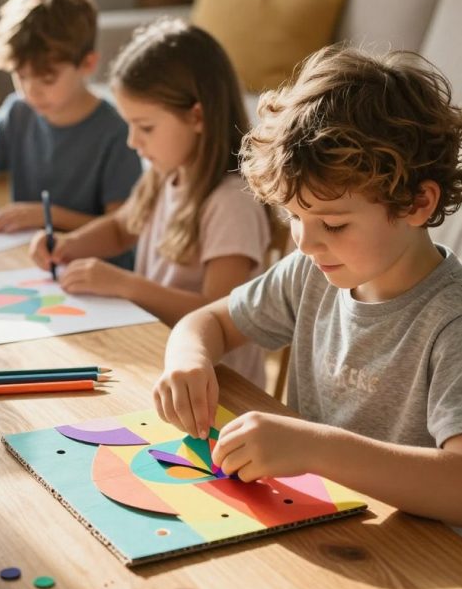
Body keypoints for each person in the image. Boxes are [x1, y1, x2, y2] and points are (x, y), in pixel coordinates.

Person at [153, 44, 462, 525]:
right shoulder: (311, 272)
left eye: (334, 225)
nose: (306, 241)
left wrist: (316, 449)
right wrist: (186, 360)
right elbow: (206, 321)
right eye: (295, 216)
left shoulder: (452, 321)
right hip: (315, 524)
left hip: (413, 566)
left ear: (418, 204)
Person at [30, 18, 271, 387]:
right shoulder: (165, 173)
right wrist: (69, 245)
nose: (132, 141)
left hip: (216, 388)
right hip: (159, 361)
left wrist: (125, 285)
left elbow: (219, 316)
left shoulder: (231, 202)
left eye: (145, 127)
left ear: (197, 116)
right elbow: (119, 229)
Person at [0, 0, 141, 254]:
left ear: (88, 64)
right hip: (28, 261)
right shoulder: (18, 111)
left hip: (92, 271)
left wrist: (49, 216)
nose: (30, 91)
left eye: (47, 79)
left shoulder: (117, 133)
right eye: (21, 76)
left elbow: (123, 228)